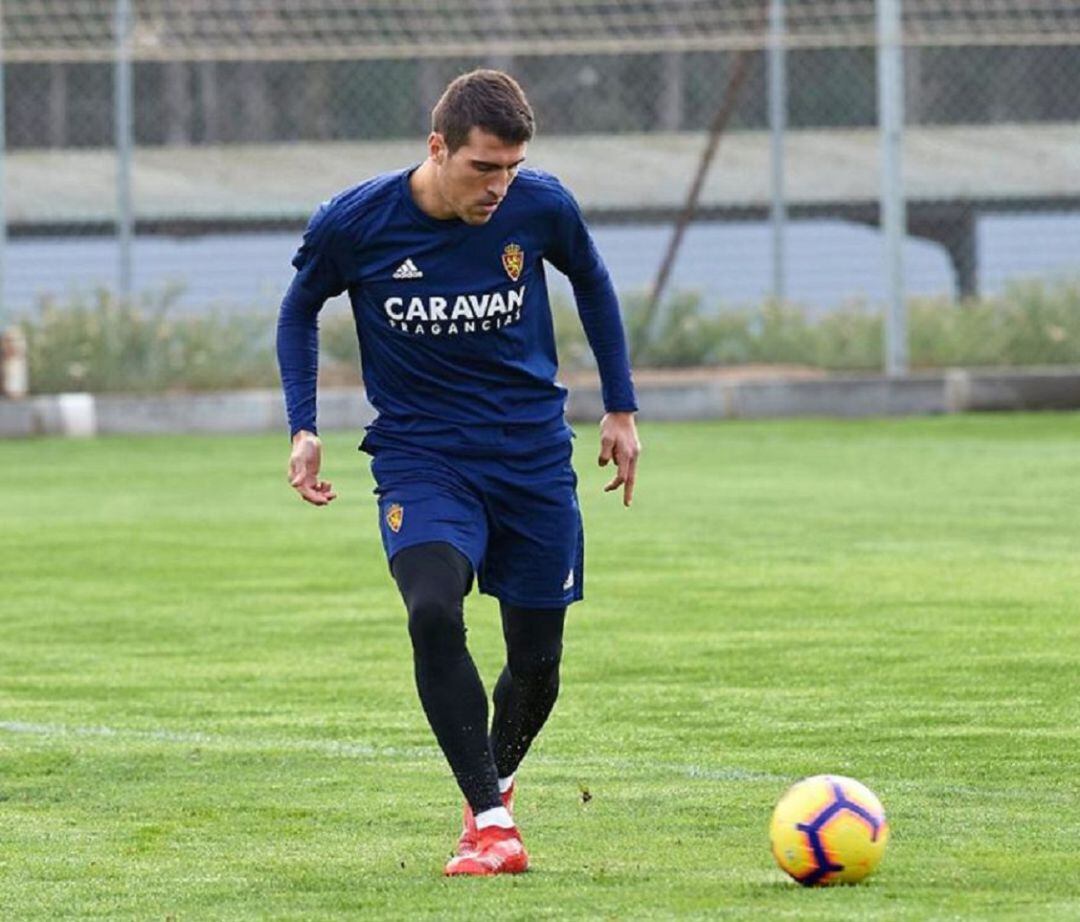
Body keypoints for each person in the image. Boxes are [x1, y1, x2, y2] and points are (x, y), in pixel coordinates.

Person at [276, 69, 640, 877]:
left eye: (510, 168)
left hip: (533, 457)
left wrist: (621, 407)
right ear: (437, 147)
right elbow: (300, 307)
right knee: (433, 610)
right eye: (483, 168)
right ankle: (491, 820)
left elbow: (593, 278)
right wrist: (303, 425)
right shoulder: (358, 221)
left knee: (538, 665)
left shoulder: (541, 206)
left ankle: (494, 787)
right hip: (423, 456)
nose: (499, 187)